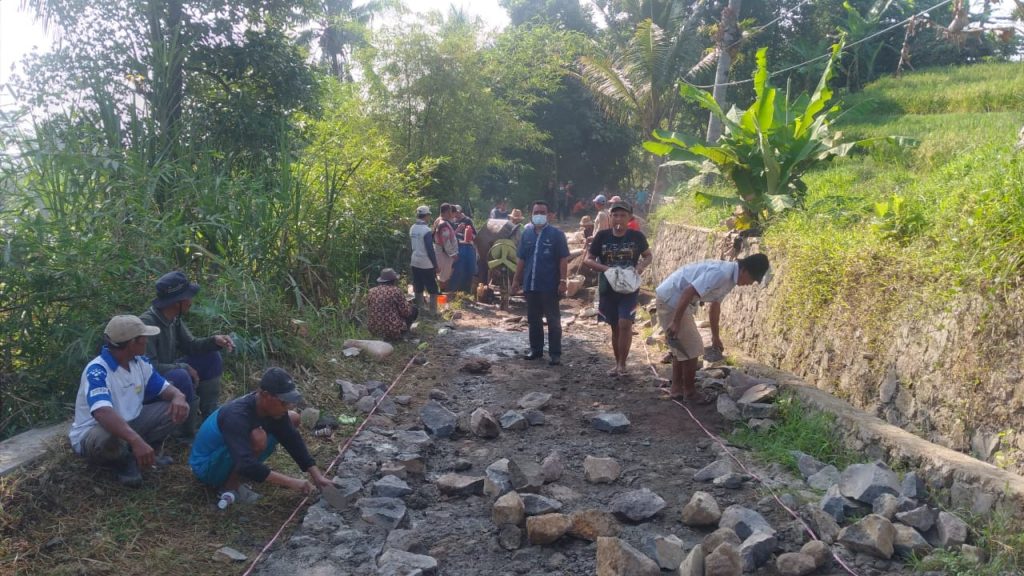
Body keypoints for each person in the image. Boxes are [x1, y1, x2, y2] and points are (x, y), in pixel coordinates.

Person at [69, 315, 190, 486]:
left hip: (130, 424)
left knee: (177, 409)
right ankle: (124, 462)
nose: (147, 342)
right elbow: (102, 413)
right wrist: (136, 440)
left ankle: (147, 453)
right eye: (143, 338)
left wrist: (178, 396)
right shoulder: (97, 371)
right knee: (108, 437)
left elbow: (163, 388)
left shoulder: (139, 363)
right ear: (133, 343)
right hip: (95, 432)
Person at [189, 367, 332, 501]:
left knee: (292, 417)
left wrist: (317, 476)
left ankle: (241, 476)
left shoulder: (269, 408)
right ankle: (230, 487)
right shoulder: (236, 415)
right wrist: (292, 482)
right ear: (265, 395)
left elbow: (292, 439)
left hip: (231, 456)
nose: (288, 406)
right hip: (207, 467)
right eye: (284, 402)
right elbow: (245, 463)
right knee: (257, 438)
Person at [655, 254, 770, 403]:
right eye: (753, 279)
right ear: (745, 271)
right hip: (671, 299)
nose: (750, 283)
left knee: (682, 347)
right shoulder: (722, 273)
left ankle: (677, 389)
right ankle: (689, 393)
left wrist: (716, 337)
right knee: (694, 347)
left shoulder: (730, 279)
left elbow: (715, 307)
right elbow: (689, 292)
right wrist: (676, 322)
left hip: (675, 300)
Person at [140, 271, 235, 436]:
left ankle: (209, 416)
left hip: (169, 370)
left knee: (211, 357)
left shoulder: (174, 319)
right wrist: (182, 366)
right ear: (178, 302)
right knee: (182, 374)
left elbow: (191, 345)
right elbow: (147, 369)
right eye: (188, 297)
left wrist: (214, 341)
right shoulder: (147, 324)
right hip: (150, 384)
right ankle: (186, 431)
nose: (191, 301)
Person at [584, 201, 653, 376]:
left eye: (622, 215)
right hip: (608, 287)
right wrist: (607, 269)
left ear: (630, 218)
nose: (618, 219)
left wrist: (640, 267)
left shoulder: (637, 237)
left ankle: (622, 364)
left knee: (625, 323)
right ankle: (617, 363)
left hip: (629, 287)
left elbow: (648, 256)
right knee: (615, 326)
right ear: (610, 217)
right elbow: (588, 259)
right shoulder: (602, 236)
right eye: (615, 215)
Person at [512, 201, 570, 366]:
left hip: (549, 285)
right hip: (531, 284)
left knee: (553, 320)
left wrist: (563, 281)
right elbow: (522, 259)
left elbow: (563, 258)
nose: (539, 214)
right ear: (531, 213)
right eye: (536, 211)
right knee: (533, 319)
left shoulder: (556, 234)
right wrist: (516, 280)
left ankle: (555, 353)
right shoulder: (527, 234)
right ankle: (536, 350)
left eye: (542, 212)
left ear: (548, 215)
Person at [366, 268, 418, 340]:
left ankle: (382, 333)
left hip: (374, 329)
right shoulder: (396, 291)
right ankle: (404, 333)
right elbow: (406, 312)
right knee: (414, 309)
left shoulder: (371, 291)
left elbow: (369, 309)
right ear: (393, 280)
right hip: (392, 329)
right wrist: (409, 304)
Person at [409, 205, 439, 314]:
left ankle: (420, 310)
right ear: (426, 216)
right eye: (428, 215)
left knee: (418, 285)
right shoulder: (426, 230)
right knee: (432, 286)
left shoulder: (412, 228)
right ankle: (433, 311)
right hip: (426, 262)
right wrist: (436, 265)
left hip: (414, 260)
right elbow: (430, 250)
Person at [450, 205, 478, 294]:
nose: (456, 215)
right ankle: (455, 290)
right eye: (455, 213)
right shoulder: (452, 221)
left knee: (469, 269)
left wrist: (468, 235)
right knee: (457, 270)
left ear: (460, 212)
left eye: (457, 212)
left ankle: (467, 290)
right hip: (457, 247)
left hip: (467, 247)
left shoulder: (467, 220)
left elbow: (475, 235)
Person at [433, 203, 459, 291]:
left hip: (440, 252)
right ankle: (443, 295)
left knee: (442, 276)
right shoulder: (443, 225)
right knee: (444, 277)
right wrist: (453, 254)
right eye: (450, 212)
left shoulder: (438, 221)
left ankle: (441, 293)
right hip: (444, 255)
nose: (451, 214)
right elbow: (446, 242)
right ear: (447, 212)